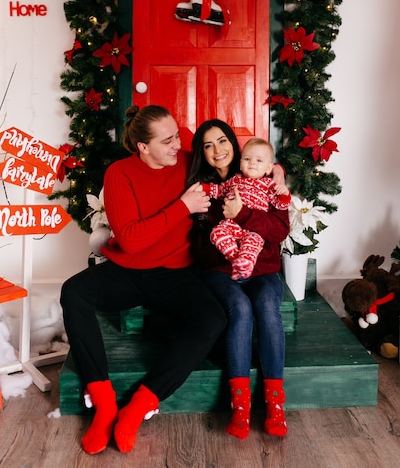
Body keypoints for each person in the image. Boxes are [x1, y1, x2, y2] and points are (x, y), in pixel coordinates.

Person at [60, 105, 227, 455]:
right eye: (167, 141)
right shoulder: (120, 174)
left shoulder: (187, 161)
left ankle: (141, 403)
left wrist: (275, 172)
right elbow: (132, 239)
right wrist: (182, 206)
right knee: (74, 292)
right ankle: (104, 402)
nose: (177, 145)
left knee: (213, 318)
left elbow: (233, 163)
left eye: (177, 136)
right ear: (143, 147)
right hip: (128, 271)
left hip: (176, 274)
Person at [188, 119, 290, 439]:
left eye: (222, 141)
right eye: (208, 145)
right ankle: (240, 407)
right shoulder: (204, 189)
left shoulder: (264, 178)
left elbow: (279, 231)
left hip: (264, 271)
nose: (217, 150)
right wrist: (229, 239)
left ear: (236, 145)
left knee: (267, 304)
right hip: (221, 273)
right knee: (240, 309)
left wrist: (244, 214)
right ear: (202, 154)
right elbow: (202, 249)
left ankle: (275, 405)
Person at [202, 137, 291, 280]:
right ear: (240, 163)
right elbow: (219, 190)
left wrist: (284, 195)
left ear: (268, 168)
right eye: (247, 159)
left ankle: (244, 263)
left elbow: (280, 205)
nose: (252, 163)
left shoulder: (269, 184)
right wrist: (203, 188)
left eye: (259, 161)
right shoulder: (234, 181)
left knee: (251, 244)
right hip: (231, 228)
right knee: (217, 233)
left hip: (253, 231)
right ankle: (238, 261)